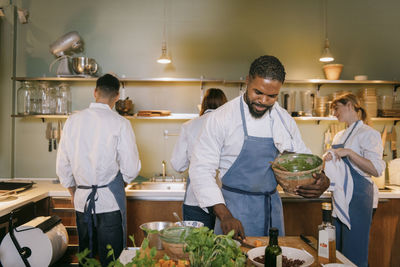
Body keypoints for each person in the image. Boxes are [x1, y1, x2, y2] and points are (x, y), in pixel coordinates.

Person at [188, 55, 330, 240]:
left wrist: (321, 180)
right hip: (232, 212)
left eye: (272, 96)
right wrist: (225, 215)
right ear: (247, 81)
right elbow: (201, 170)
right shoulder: (222, 118)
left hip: (272, 211)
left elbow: (303, 161)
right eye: (258, 92)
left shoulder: (284, 120)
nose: (263, 101)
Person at [56, 74, 141, 266]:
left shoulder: (73, 121)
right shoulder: (121, 123)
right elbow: (131, 169)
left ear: (95, 92)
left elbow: (63, 165)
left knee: (86, 258)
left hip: (81, 202)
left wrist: (73, 192)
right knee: (111, 260)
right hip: (110, 202)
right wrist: (121, 182)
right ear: (117, 96)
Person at [323, 93, 384, 267]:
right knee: (338, 252)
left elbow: (376, 169)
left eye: (336, 108)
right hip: (341, 198)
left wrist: (349, 153)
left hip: (359, 197)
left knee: (354, 252)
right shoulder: (339, 135)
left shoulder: (369, 134)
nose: (334, 113)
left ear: (349, 105)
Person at [170, 88, 228, 229]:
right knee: (223, 247)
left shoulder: (189, 126)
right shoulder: (229, 126)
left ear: (203, 105)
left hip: (195, 198)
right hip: (225, 200)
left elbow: (178, 165)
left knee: (196, 247)